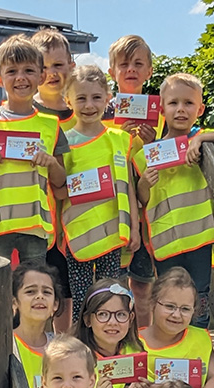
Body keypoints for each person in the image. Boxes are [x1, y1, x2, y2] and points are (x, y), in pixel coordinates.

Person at [0, 35, 69, 264]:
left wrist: (51, 163)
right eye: (12, 71)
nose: (20, 78)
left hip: (35, 224)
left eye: (28, 71)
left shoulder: (50, 124)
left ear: (41, 76)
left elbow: (61, 183)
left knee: (34, 286)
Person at [134, 73, 214, 330]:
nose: (181, 109)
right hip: (165, 240)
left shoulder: (206, 143)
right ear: (162, 108)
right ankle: (170, 343)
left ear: (200, 109)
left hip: (199, 236)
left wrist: (200, 138)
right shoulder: (146, 154)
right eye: (173, 103)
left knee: (199, 294)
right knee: (167, 296)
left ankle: (199, 339)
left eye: (188, 103)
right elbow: (142, 199)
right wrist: (144, 184)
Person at [56, 64, 140, 321]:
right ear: (68, 99)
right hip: (78, 232)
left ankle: (111, 350)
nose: (89, 105)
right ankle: (82, 350)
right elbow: (59, 191)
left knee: (112, 295)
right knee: (81, 301)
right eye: (81, 98)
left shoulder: (119, 139)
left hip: (113, 232)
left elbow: (128, 187)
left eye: (96, 97)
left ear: (108, 97)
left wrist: (135, 229)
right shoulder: (63, 140)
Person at [104, 34, 161, 317]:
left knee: (143, 283)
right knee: (111, 284)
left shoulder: (161, 113)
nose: (131, 69)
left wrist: (152, 143)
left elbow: (165, 158)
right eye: (123, 64)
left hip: (150, 210)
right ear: (111, 71)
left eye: (138, 64)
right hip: (114, 210)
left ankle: (143, 338)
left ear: (149, 71)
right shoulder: (100, 113)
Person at [31, 26, 78, 332]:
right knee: (37, 296)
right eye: (44, 67)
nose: (51, 73)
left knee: (68, 299)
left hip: (80, 225)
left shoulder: (88, 110)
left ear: (71, 66)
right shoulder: (19, 114)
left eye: (58, 65)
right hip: (38, 224)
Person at [73, 279, 148, 388]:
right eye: (103, 314)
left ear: (130, 319)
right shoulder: (74, 355)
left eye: (120, 315)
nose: (113, 322)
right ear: (87, 320)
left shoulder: (133, 350)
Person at [12, 261, 63, 388]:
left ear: (55, 305)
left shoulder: (62, 348)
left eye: (46, 292)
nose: (40, 296)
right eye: (31, 292)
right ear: (14, 303)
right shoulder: (4, 345)